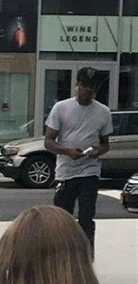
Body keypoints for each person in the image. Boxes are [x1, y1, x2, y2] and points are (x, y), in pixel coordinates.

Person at [44, 66, 113, 254]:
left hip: (90, 171)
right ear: (77, 86)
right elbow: (48, 142)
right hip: (66, 172)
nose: (88, 90)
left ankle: (86, 259)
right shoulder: (62, 108)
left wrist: (99, 150)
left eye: (92, 87)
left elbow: (106, 144)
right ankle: (61, 257)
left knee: (86, 218)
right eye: (84, 86)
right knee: (62, 218)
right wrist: (67, 151)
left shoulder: (103, 112)